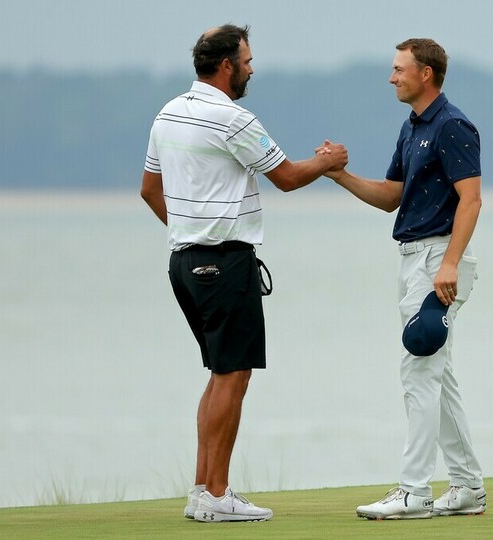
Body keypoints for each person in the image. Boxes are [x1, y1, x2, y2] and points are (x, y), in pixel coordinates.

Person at [140, 24, 347, 523]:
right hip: (224, 263)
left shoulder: (167, 112)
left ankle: (201, 492)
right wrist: (328, 161)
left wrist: (191, 231)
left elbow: (149, 191)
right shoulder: (233, 118)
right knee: (233, 375)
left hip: (183, 264)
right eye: (248, 61)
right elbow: (287, 178)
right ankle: (216, 494)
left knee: (219, 374)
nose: (252, 69)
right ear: (227, 65)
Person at [320, 38, 486, 520]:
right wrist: (339, 175)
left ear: (425, 74)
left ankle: (414, 492)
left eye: (399, 69)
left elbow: (471, 199)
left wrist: (449, 264)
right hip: (413, 258)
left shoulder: (452, 125)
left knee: (418, 369)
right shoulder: (412, 127)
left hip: (439, 259)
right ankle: (468, 487)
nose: (391, 77)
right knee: (438, 374)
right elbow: (391, 195)